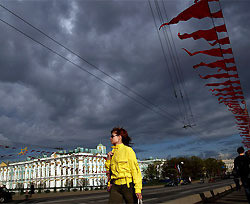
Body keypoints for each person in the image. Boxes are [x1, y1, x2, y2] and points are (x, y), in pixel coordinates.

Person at [105, 127, 142, 204]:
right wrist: (108, 159)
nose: (110, 138)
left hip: (127, 186)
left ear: (119, 137)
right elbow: (109, 172)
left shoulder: (128, 150)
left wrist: (138, 189)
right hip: (115, 186)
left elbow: (135, 170)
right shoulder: (112, 152)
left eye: (112, 136)